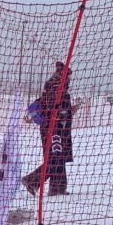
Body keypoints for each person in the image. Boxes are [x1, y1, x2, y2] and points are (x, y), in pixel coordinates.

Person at [22, 61, 77, 196]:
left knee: (59, 156)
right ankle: (32, 180)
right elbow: (55, 109)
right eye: (68, 76)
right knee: (55, 158)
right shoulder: (56, 88)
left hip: (56, 127)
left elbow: (54, 107)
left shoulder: (55, 87)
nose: (69, 79)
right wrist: (67, 112)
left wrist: (69, 110)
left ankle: (57, 188)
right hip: (54, 128)